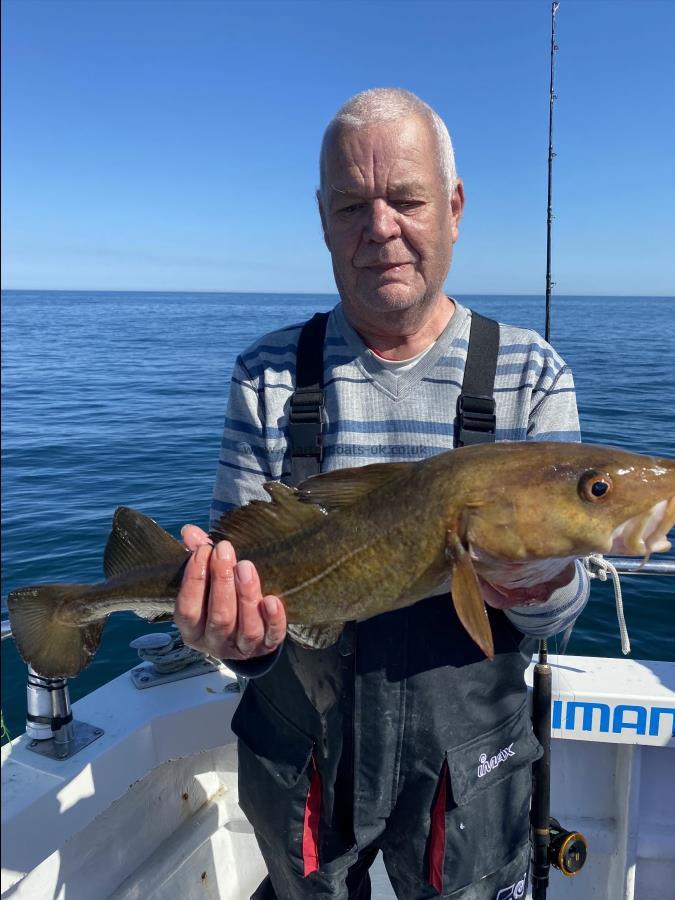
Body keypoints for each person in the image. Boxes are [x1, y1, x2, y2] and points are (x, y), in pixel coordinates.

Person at [175, 88, 589, 900]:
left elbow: (557, 614)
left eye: (405, 200)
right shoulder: (265, 374)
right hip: (303, 749)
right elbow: (240, 606)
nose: (380, 228)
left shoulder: (531, 375)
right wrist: (234, 640)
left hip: (467, 762)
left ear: (454, 206)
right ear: (323, 219)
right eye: (351, 205)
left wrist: (538, 582)